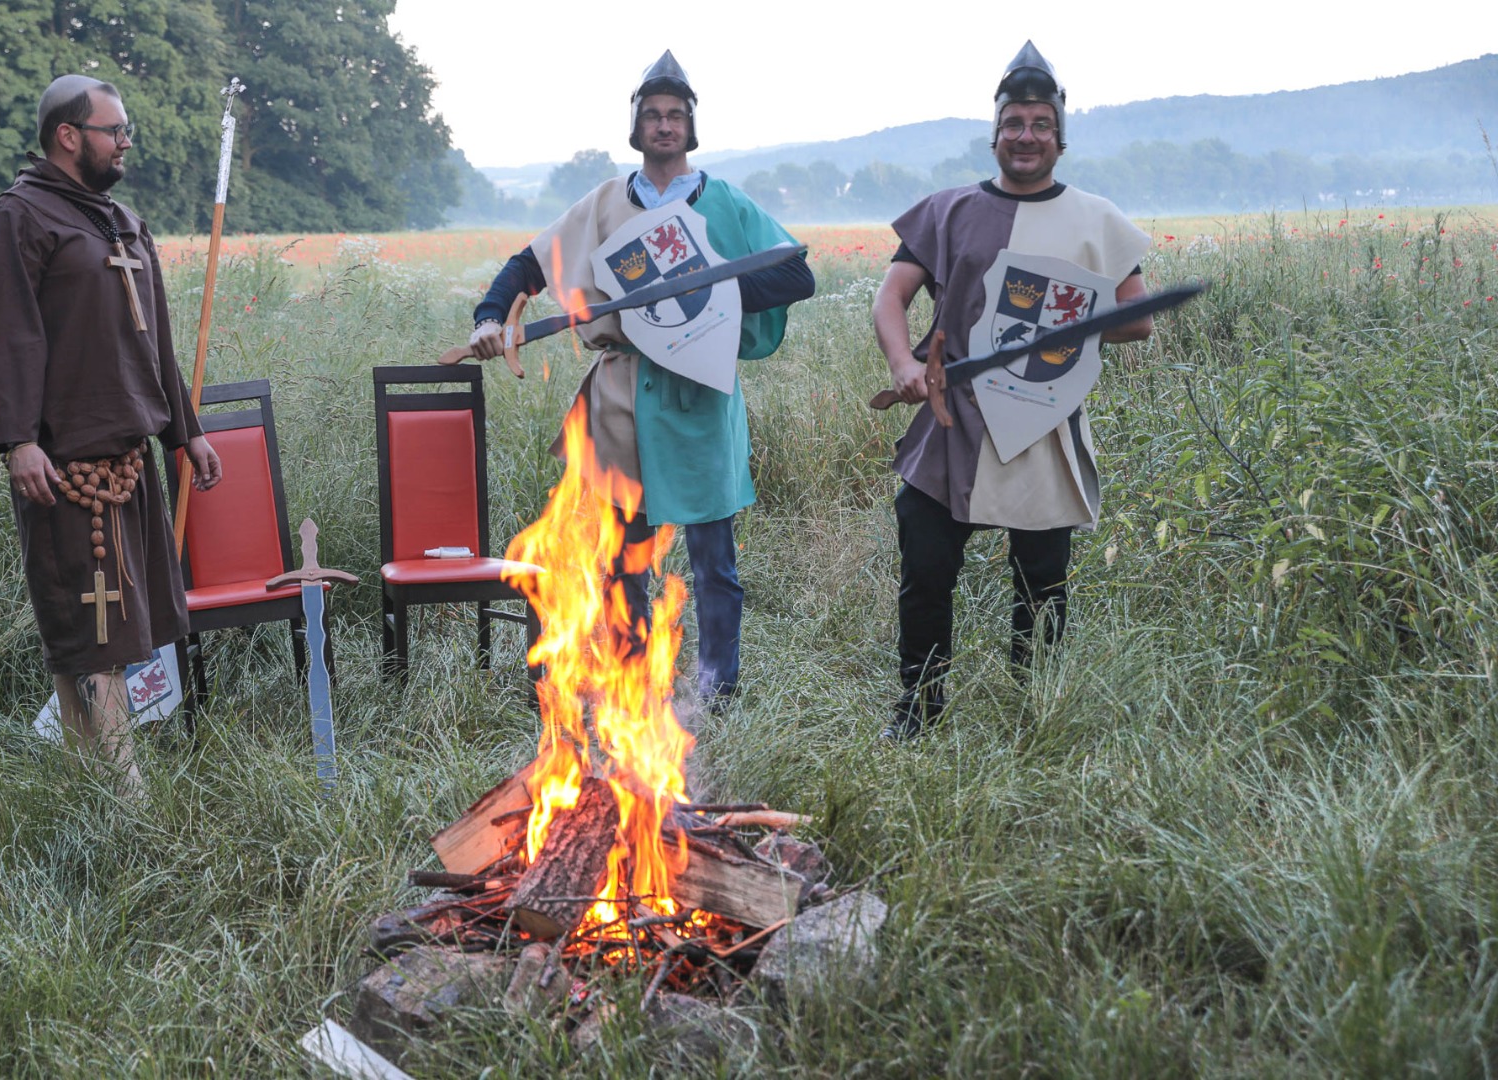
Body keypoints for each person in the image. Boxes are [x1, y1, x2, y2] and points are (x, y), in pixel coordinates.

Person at [463, 50, 813, 710]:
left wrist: (713, 288)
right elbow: (525, 269)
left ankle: (717, 690)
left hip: (700, 398)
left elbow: (796, 275)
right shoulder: (602, 205)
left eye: (674, 115)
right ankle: (631, 685)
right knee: (624, 560)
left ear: (689, 126)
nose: (663, 125)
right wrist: (489, 316)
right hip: (623, 401)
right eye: (652, 115)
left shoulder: (725, 205)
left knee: (713, 562)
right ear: (636, 126)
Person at [873, 41, 1154, 740]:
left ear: (1058, 137)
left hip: (1039, 417)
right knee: (926, 570)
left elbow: (1136, 319)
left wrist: (1063, 331)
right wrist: (901, 362)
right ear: (994, 133)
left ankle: (1036, 711)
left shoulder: (1095, 219)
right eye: (1013, 124)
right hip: (950, 421)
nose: (1025, 137)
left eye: (1039, 124)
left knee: (1042, 582)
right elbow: (890, 297)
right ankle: (918, 708)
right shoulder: (946, 209)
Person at [0, 75, 222, 794]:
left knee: (104, 639)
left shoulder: (120, 222)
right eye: (114, 130)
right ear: (68, 136)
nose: (126, 142)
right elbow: (5, 338)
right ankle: (131, 804)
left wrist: (183, 433)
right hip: (65, 465)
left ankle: (81, 790)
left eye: (126, 129)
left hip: (129, 460)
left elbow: (154, 343)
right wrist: (17, 440)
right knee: (93, 639)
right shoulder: (19, 219)